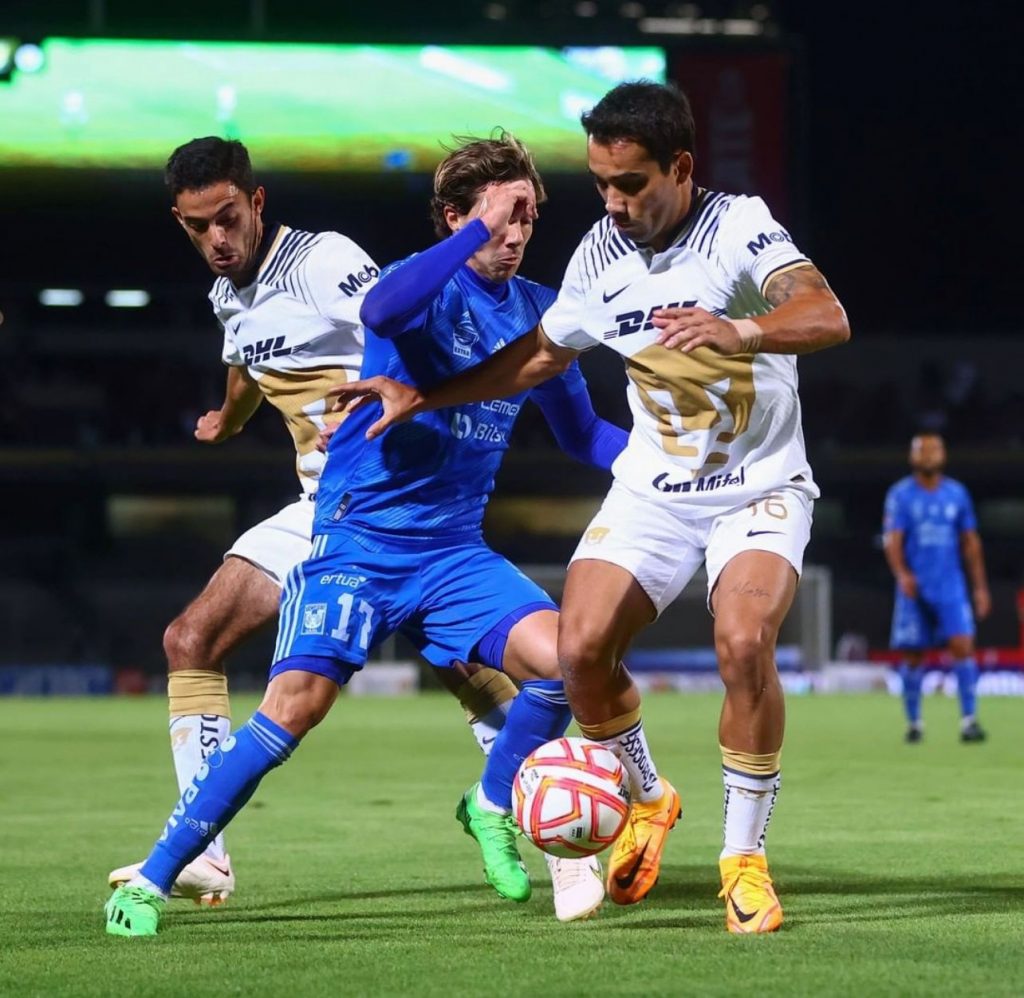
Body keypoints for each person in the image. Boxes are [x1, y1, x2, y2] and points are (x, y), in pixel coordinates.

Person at [329, 81, 851, 934]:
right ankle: (648, 795)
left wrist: (742, 331)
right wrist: (421, 399)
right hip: (653, 486)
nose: (613, 202)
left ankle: (743, 861)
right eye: (601, 183)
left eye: (632, 184)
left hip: (758, 487)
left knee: (745, 640)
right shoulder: (600, 254)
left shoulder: (739, 226)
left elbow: (826, 312)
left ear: (680, 168)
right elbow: (538, 359)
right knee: (578, 649)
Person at [104, 133, 628, 937]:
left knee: (571, 662)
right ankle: (159, 874)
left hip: (452, 552)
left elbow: (586, 436)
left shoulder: (539, 317)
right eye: (505, 213)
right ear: (461, 217)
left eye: (529, 213)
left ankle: (494, 801)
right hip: (358, 537)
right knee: (293, 706)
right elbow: (380, 311)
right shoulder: (419, 293)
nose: (519, 229)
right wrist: (229, 414)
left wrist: (680, 476)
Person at [883, 432, 990, 743]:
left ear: (943, 455)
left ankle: (969, 720)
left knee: (963, 645)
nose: (928, 455)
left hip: (950, 585)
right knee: (913, 654)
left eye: (934, 450)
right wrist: (902, 574)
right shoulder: (901, 495)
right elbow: (893, 540)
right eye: (922, 450)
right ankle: (914, 723)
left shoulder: (957, 494)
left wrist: (980, 587)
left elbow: (970, 542)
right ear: (912, 456)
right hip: (915, 586)